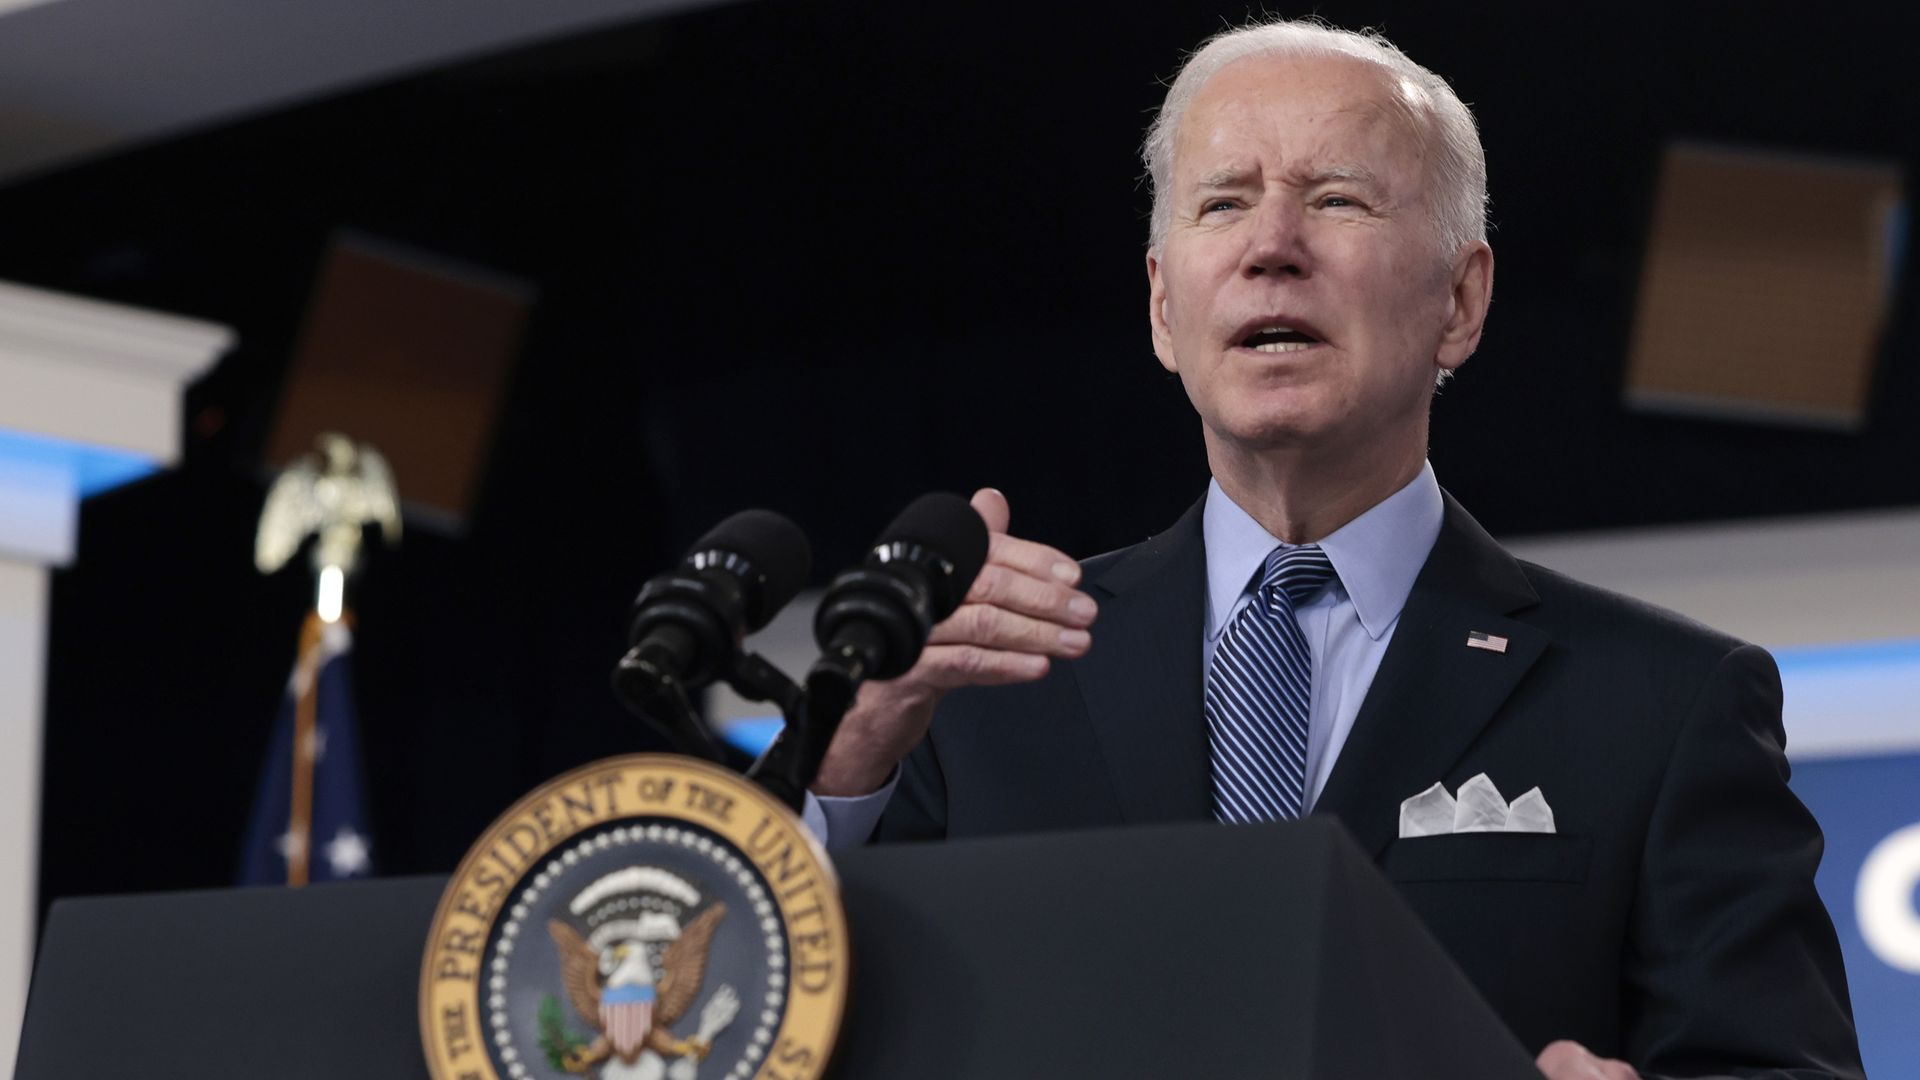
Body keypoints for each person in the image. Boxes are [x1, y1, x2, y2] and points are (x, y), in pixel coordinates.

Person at [800, 19, 1863, 1080]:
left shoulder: (1664, 703)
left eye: (1336, 199)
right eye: (1224, 203)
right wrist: (850, 761)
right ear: (1166, 307)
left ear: (1461, 299)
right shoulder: (971, 689)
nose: (1272, 245)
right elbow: (744, 1023)